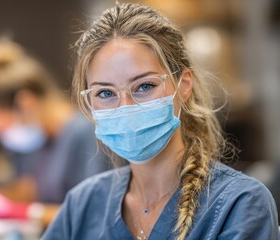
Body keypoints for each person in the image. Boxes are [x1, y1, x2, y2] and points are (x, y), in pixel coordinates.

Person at [43, 3, 279, 240]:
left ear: (184, 85)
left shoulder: (238, 204)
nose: (126, 107)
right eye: (105, 93)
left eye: (145, 86)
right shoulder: (82, 206)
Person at [0, 38, 111, 204]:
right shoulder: (38, 142)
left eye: (2, 128)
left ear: (25, 104)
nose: (3, 136)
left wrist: (31, 214)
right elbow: (28, 192)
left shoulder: (85, 133)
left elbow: (92, 212)